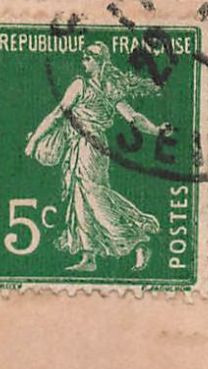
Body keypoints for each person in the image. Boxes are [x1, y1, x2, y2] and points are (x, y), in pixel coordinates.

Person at [23, 42, 168, 273]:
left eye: (89, 56)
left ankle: (138, 240)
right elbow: (59, 113)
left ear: (100, 61)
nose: (84, 59)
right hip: (85, 146)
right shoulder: (97, 87)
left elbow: (133, 117)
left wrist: (156, 130)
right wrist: (157, 130)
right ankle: (88, 256)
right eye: (84, 55)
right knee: (81, 198)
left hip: (90, 147)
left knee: (95, 198)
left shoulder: (86, 86)